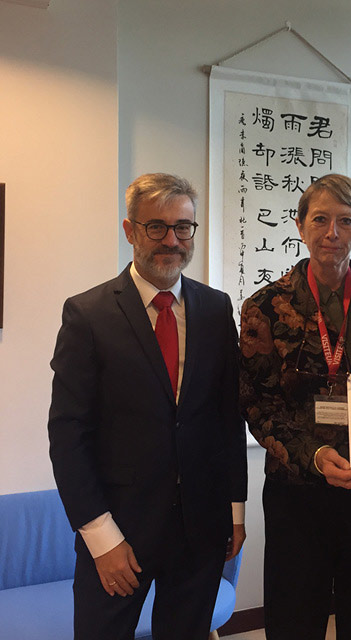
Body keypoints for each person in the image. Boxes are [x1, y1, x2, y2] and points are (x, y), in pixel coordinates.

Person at [48, 173, 247, 640]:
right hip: (119, 531)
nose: (171, 240)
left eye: (183, 227)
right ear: (130, 230)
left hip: (200, 528)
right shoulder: (88, 314)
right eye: (156, 226)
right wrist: (101, 538)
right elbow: (68, 434)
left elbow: (227, 418)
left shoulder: (215, 310)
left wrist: (234, 511)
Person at [239, 174, 351, 640]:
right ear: (300, 227)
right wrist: (316, 456)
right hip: (298, 491)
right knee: (294, 620)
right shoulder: (265, 306)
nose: (332, 233)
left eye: (346, 221)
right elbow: (256, 403)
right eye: (320, 219)